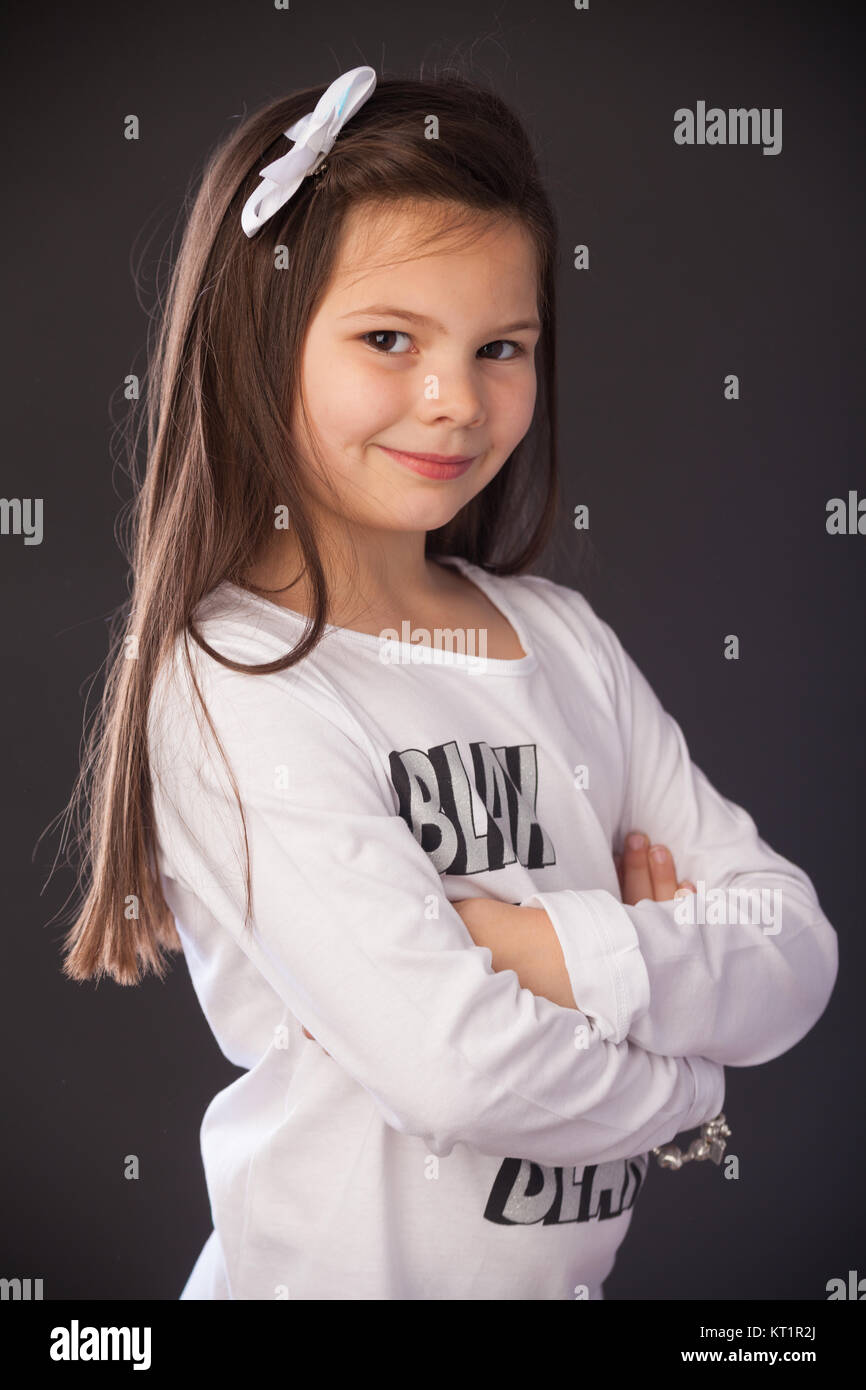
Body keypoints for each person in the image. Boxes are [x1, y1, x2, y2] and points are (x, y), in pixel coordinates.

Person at [59, 65, 838, 1300]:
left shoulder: (561, 641)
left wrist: (530, 946)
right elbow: (456, 1069)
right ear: (263, 341)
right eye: (388, 339)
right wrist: (686, 1077)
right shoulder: (237, 681)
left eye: (500, 347)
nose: (456, 401)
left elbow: (790, 948)